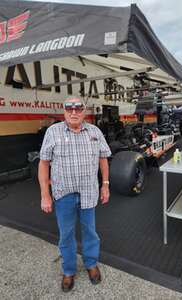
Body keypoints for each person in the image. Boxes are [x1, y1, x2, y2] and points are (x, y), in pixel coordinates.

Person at [38, 97, 111, 292]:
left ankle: (91, 264)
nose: (74, 112)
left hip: (89, 192)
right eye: (69, 108)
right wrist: (45, 194)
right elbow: (43, 163)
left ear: (84, 111)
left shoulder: (95, 132)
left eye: (78, 108)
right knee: (66, 235)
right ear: (64, 112)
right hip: (63, 194)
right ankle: (69, 270)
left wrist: (105, 185)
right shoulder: (53, 132)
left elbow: (103, 158)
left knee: (90, 232)